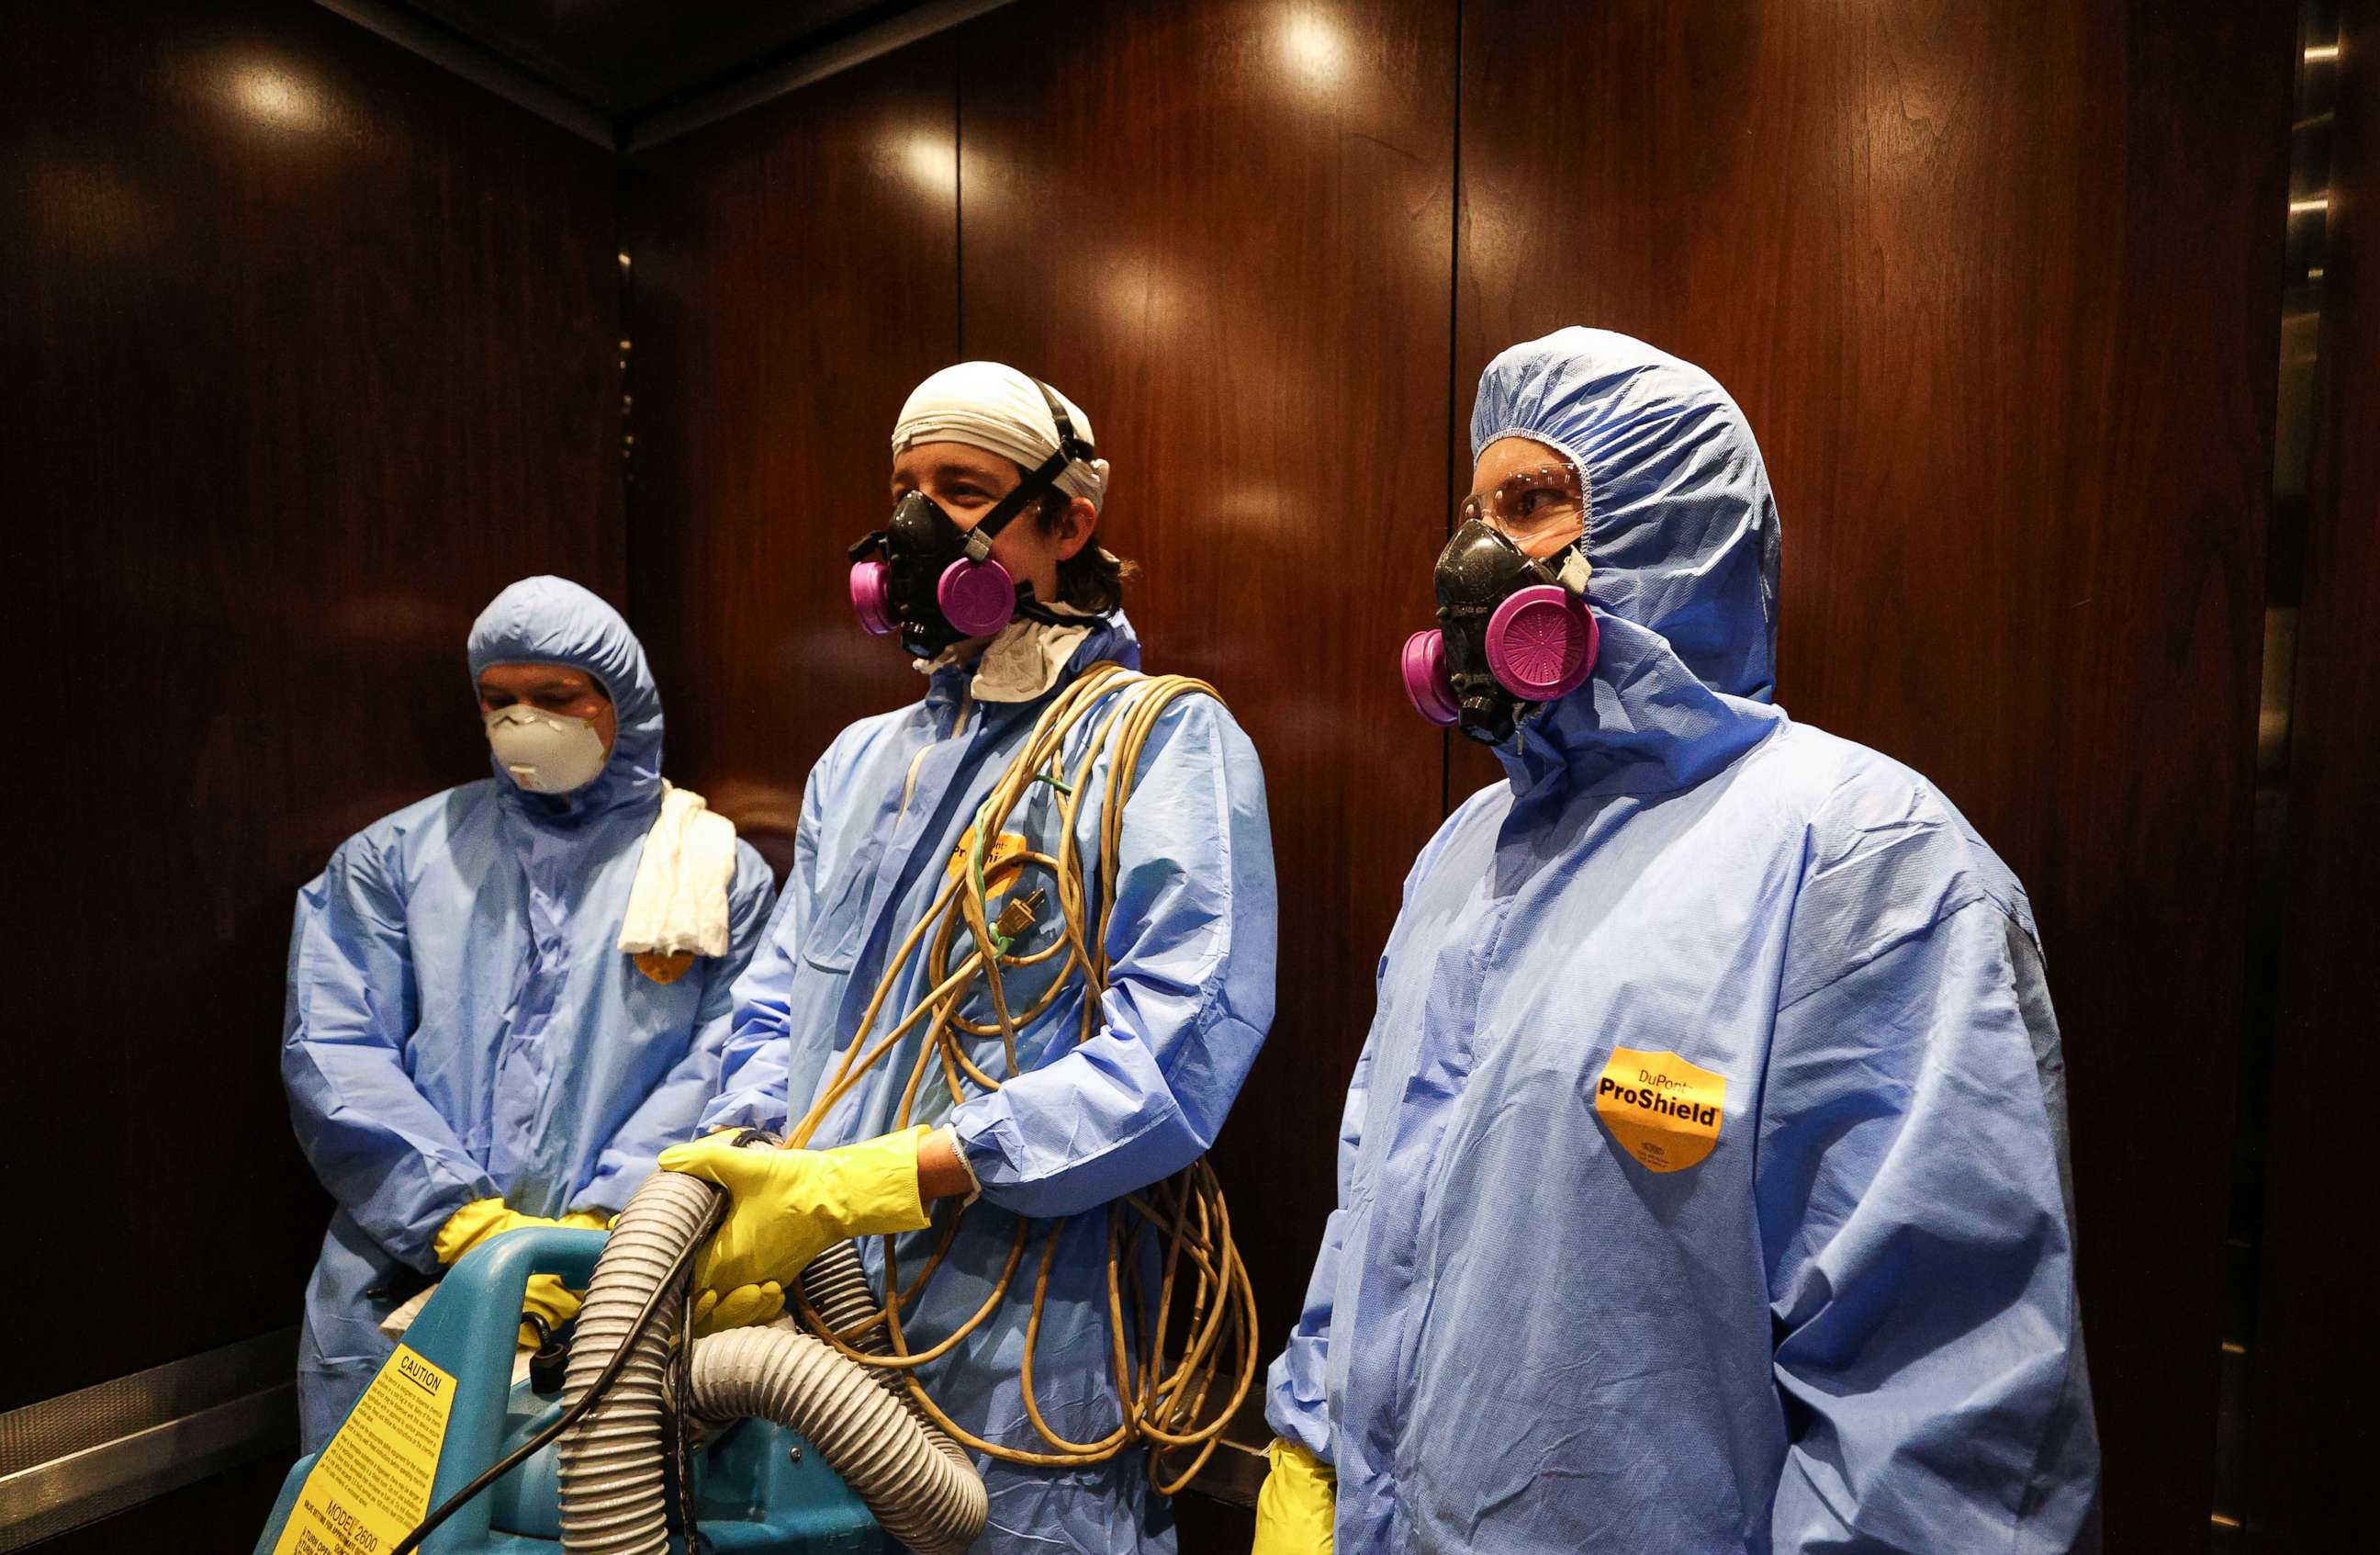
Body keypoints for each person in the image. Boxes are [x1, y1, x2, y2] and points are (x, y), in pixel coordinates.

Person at [1255, 329, 2099, 1553]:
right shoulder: (1462, 855)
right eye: (1475, 508)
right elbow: (1381, 1203)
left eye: (1533, 503)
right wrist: (1310, 1448)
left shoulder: (1868, 861)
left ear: (1664, 533)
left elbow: (1943, 1414)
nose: (1470, 559)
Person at [666, 362, 1277, 1554]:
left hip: (1024, 1375)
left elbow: (1176, 1060)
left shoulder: (1163, 745)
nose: (915, 520)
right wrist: (749, 1167)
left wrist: (885, 1177)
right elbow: (778, 1008)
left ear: (1066, 520)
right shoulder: (860, 765)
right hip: (813, 1347)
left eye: (961, 487)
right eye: (905, 485)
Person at [282, 575, 775, 1451]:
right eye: (497, 699)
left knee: (596, 1518)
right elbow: (335, 1051)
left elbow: (729, 1061)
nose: (522, 721)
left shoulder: (712, 872)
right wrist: (459, 1222)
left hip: (624, 1282)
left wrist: (607, 1227)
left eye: (555, 697)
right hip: (401, 1276)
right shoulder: (391, 861)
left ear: (623, 702)